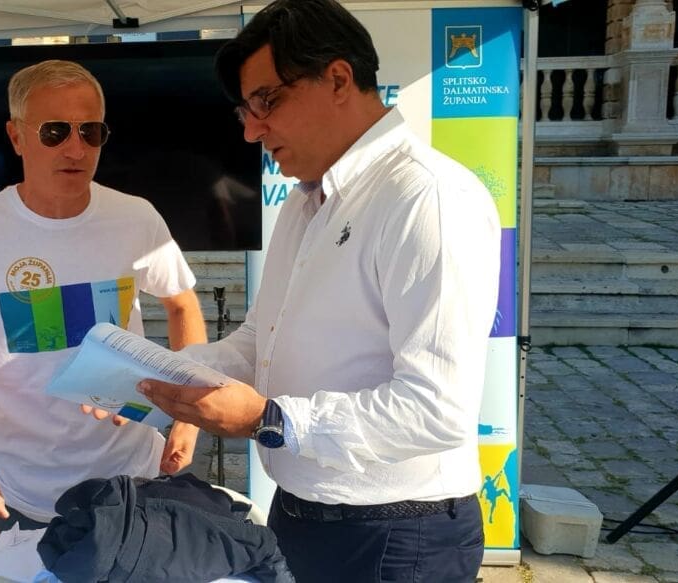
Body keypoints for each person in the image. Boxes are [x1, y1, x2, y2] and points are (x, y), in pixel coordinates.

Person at [136, 1, 501, 580]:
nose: (253, 130)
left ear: (337, 79)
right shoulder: (306, 202)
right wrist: (161, 373)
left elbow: (436, 409)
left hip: (397, 535)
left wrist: (269, 420)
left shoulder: (426, 198)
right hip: (301, 511)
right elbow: (261, 341)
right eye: (245, 111)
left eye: (267, 101)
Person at [0, 59, 206, 545]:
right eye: (55, 131)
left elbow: (182, 307)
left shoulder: (136, 218)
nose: (76, 149)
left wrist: (187, 411)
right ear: (16, 136)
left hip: (134, 480)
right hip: (14, 495)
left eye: (91, 132)